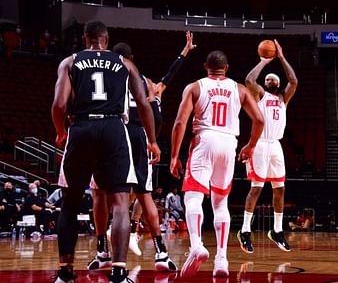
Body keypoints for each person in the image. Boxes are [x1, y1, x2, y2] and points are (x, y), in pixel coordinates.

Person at [51, 20, 160, 283]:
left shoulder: (70, 62)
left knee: (71, 202)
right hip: (114, 127)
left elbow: (59, 104)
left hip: (82, 127)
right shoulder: (125, 63)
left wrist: (61, 132)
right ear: (106, 39)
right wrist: (152, 140)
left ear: (85, 39)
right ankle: (119, 272)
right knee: (120, 203)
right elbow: (144, 106)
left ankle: (65, 272)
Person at [88, 31, 194, 271]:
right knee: (144, 194)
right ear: (132, 58)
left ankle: (103, 250)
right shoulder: (146, 82)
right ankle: (160, 253)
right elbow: (169, 76)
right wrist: (184, 52)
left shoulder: (108, 76)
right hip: (140, 137)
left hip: (111, 133)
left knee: (101, 193)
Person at [170, 50, 264, 278]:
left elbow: (181, 121)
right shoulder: (239, 89)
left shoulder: (194, 87)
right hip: (228, 143)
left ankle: (196, 245)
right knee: (220, 203)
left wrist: (174, 156)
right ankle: (221, 259)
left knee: (193, 197)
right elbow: (260, 120)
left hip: (204, 140)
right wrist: (250, 146)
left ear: (205, 66)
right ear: (227, 68)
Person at [237, 39, 298, 253]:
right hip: (260, 145)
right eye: (268, 78)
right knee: (256, 188)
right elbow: (249, 79)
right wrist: (264, 61)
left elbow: (294, 80)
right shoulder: (260, 95)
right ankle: (245, 230)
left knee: (280, 189)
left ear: (278, 83)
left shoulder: (283, 98)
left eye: (274, 78)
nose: (271, 80)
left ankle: (277, 230)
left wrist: (281, 57)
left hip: (276, 146)